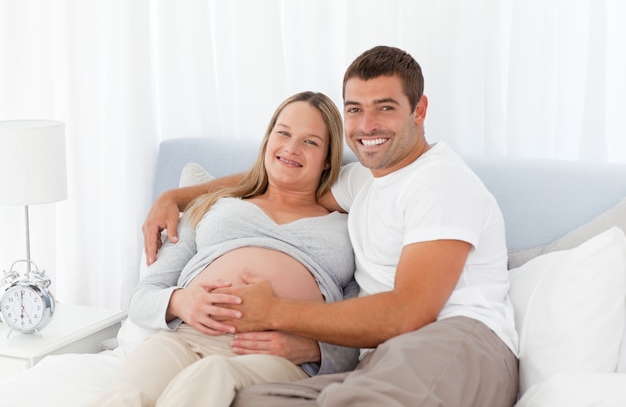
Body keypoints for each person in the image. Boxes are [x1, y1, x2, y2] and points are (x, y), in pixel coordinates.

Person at [143, 46, 519, 407]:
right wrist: (177, 197)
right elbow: (283, 176)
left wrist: (273, 312)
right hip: (380, 359)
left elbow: (408, 313)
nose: (367, 125)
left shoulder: (440, 182)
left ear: (419, 110)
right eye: (355, 109)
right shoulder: (363, 182)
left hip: (453, 340)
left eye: (385, 108)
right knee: (244, 397)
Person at [92, 91, 359, 407]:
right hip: (186, 337)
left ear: (329, 158)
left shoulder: (347, 227)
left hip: (271, 353)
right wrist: (182, 302)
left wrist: (316, 349)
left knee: (213, 373)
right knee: (129, 391)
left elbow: (361, 325)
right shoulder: (213, 206)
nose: (291, 147)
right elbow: (143, 296)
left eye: (310, 142)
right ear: (268, 139)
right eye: (283, 133)